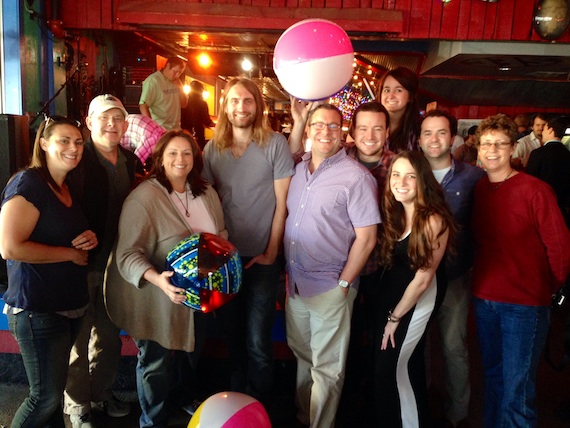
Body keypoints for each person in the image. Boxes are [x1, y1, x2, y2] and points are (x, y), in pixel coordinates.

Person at [105, 131, 227, 427]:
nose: (180, 159)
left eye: (187, 153)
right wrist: (158, 279)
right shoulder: (144, 196)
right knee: (156, 364)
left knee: (189, 354)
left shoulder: (206, 192)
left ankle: (183, 398)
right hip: (157, 296)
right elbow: (128, 253)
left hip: (198, 298)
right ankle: (153, 420)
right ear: (159, 158)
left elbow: (221, 235)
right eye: (172, 153)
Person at [284, 103, 380, 427]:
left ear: (343, 132)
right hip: (295, 286)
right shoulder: (296, 169)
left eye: (333, 126)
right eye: (319, 125)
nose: (326, 131)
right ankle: (304, 415)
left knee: (326, 368)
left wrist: (343, 284)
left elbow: (367, 239)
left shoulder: (357, 177)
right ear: (309, 129)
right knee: (302, 357)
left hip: (330, 288)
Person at [471, 114, 570, 428]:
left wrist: (547, 286)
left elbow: (560, 247)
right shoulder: (479, 190)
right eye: (487, 143)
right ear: (477, 147)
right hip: (485, 298)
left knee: (517, 388)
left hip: (525, 304)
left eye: (500, 144)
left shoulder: (535, 190)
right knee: (492, 378)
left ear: (513, 148)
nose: (492, 150)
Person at [0, 116, 97, 427]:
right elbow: (10, 247)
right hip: (37, 309)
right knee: (44, 398)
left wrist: (88, 238)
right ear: (43, 143)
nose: (73, 148)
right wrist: (70, 253)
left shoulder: (63, 187)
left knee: (52, 401)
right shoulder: (28, 183)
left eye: (78, 142)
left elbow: (63, 233)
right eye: (64, 141)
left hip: (65, 306)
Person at [202, 77, 294, 404]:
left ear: (258, 106)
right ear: (225, 106)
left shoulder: (275, 144)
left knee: (258, 338)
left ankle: (261, 402)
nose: (241, 107)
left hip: (263, 260)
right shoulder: (213, 148)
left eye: (248, 101)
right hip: (225, 260)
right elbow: (203, 199)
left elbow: (283, 204)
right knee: (232, 333)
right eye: (235, 101)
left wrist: (271, 253)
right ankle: (236, 399)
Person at [64, 95, 144, 427]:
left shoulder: (130, 159)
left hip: (118, 264)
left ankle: (100, 391)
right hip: (81, 264)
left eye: (118, 118)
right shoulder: (76, 159)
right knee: (79, 339)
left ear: (125, 124)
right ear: (90, 121)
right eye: (104, 118)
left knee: (109, 337)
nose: (112, 124)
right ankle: (76, 402)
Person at [374, 150, 456, 427]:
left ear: (422, 181)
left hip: (416, 300)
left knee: (394, 370)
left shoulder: (433, 220)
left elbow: (422, 280)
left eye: (410, 176)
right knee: (400, 367)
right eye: (396, 175)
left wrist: (394, 319)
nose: (401, 182)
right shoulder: (397, 212)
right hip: (394, 298)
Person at [418, 110, 486, 427]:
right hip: (416, 275)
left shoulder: (473, 177)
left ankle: (457, 413)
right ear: (419, 138)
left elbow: (485, 226)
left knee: (453, 345)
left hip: (455, 274)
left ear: (452, 136)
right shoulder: (410, 173)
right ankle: (424, 400)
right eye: (428, 133)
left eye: (441, 132)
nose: (434, 139)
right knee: (418, 343)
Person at [526, 116, 570, 228]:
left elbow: (529, 183)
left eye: (544, 129)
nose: (542, 132)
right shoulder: (567, 154)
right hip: (563, 209)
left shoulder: (537, 154)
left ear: (550, 130)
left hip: (540, 208)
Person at [376, 67, 421, 153]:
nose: (391, 96)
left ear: (410, 97)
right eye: (387, 90)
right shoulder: (365, 121)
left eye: (398, 90)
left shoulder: (419, 129)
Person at [139, 57, 188, 131]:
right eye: (175, 72)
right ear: (168, 66)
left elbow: (184, 104)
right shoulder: (153, 81)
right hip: (160, 129)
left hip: (176, 129)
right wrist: (152, 129)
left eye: (180, 73)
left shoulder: (177, 82)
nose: (177, 75)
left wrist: (180, 87)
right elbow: (143, 106)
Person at [181, 80, 215, 150]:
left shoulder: (184, 102)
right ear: (201, 90)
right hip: (198, 134)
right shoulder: (202, 103)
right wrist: (215, 126)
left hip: (185, 133)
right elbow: (206, 121)